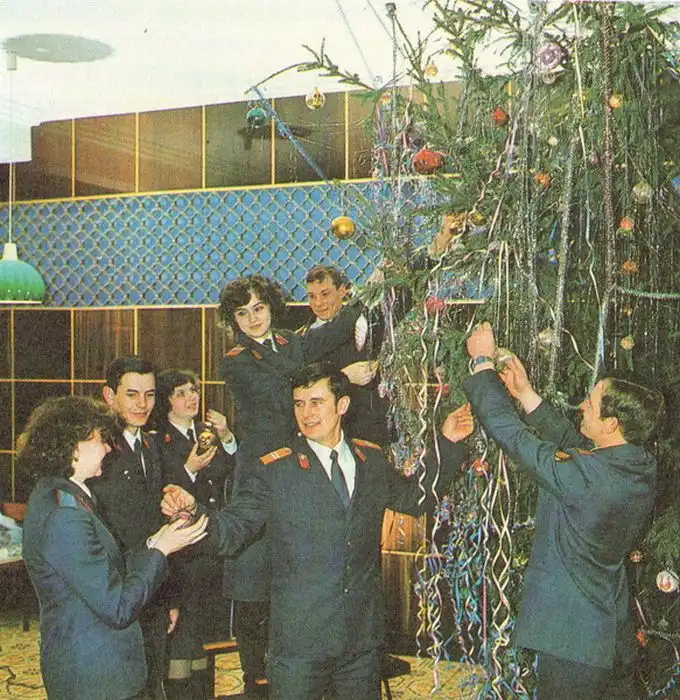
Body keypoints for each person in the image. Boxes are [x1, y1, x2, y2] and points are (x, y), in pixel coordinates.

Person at [162, 362, 474, 700]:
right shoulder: (275, 469)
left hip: (360, 643)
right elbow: (232, 529)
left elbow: (416, 498)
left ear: (342, 405)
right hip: (299, 645)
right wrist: (194, 513)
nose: (306, 413)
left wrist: (448, 443)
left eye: (316, 402)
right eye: (299, 404)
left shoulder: (370, 461)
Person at [463, 322, 665, 700]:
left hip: (573, 644)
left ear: (611, 423)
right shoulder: (637, 464)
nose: (582, 405)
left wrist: (481, 365)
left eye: (591, 402)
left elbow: (512, 436)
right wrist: (526, 395)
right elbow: (576, 445)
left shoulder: (588, 478)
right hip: (609, 638)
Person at [217, 275, 377, 696]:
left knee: (301, 576)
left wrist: (373, 292)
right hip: (262, 477)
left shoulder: (290, 341)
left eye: (259, 308)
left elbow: (335, 330)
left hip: (302, 474)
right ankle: (256, 679)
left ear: (272, 307)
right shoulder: (235, 359)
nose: (253, 318)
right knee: (254, 583)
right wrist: (341, 377)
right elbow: (280, 395)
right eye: (243, 313)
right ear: (233, 320)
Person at [20, 395, 207, 700]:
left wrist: (156, 541)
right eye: (100, 439)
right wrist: (161, 552)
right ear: (73, 447)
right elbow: (118, 607)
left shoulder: (60, 494)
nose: (108, 448)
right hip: (96, 675)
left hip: (92, 666)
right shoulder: (65, 515)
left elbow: (105, 564)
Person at [299, 220, 455, 446]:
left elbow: (402, 298)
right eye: (312, 296)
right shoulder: (303, 338)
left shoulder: (365, 323)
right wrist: (344, 377)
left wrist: (437, 249)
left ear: (342, 291)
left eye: (325, 294)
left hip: (367, 432)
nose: (319, 303)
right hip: (324, 436)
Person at [88, 356, 175, 700]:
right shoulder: (96, 451)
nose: (143, 404)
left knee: (153, 683)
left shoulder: (151, 446)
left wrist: (167, 597)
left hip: (151, 591)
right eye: (132, 394)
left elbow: (155, 526)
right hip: (115, 597)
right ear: (109, 396)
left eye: (150, 395)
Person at [152, 368, 237, 699]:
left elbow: (230, 472)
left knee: (205, 640)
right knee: (182, 642)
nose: (192, 398)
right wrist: (189, 469)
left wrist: (227, 437)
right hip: (182, 555)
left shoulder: (206, 432)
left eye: (194, 390)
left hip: (210, 547)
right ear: (167, 400)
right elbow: (162, 492)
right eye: (182, 393)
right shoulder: (158, 439)